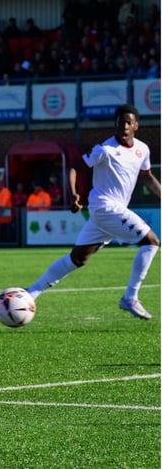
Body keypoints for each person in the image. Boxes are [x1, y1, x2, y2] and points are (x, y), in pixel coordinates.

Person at [25, 104, 160, 319]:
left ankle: (30, 293)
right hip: (105, 206)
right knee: (151, 241)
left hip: (111, 211)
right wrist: (74, 194)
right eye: (120, 122)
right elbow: (75, 167)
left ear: (136, 125)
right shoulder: (104, 150)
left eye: (128, 123)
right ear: (115, 125)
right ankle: (130, 297)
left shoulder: (142, 149)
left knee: (77, 259)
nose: (124, 126)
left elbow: (147, 176)